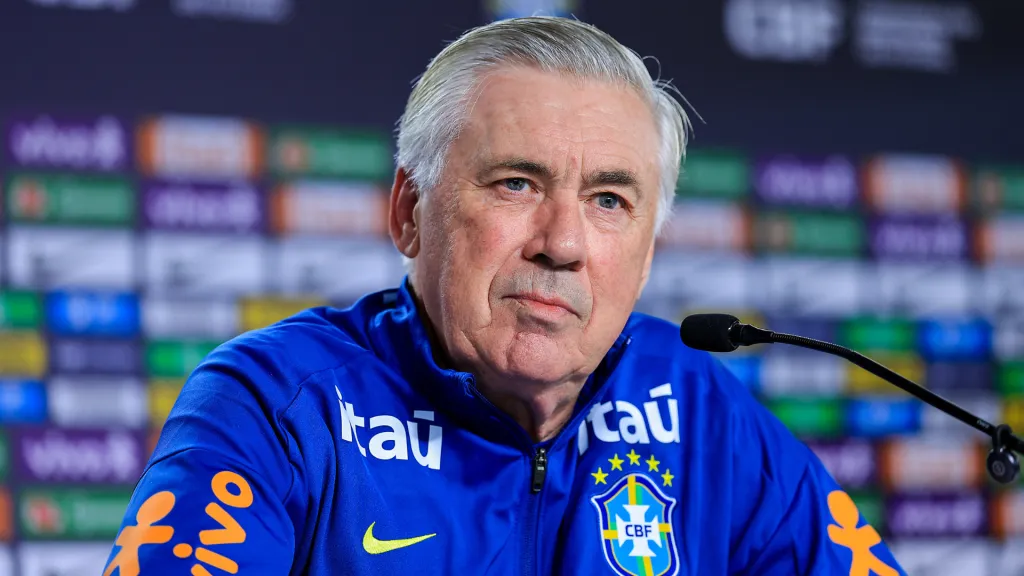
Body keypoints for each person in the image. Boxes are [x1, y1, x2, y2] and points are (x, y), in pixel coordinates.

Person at [104, 16, 905, 576]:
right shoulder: (276, 402)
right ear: (409, 212)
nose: (561, 243)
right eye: (517, 183)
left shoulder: (701, 410)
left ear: (648, 251)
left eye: (608, 201)